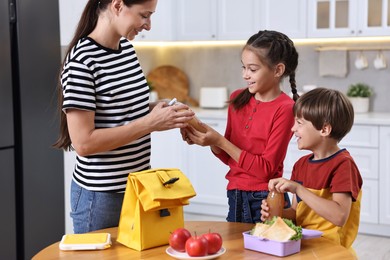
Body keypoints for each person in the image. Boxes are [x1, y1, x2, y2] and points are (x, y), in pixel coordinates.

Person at [53, 0, 194, 234]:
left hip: (136, 186)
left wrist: (156, 110)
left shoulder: (126, 50)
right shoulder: (82, 61)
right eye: (144, 15)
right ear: (118, 5)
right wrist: (149, 124)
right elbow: (84, 143)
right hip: (100, 198)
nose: (148, 25)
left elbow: (120, 110)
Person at [181, 30, 300, 223]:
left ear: (278, 70)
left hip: (265, 199)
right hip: (235, 194)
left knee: (263, 253)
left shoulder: (285, 109)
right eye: (243, 67)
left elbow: (266, 170)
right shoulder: (238, 98)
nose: (245, 75)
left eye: (252, 69)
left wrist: (219, 140)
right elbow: (229, 158)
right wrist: (209, 141)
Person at [260, 88, 363, 253]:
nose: (293, 128)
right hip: (304, 248)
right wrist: (276, 213)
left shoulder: (343, 165)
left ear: (324, 130)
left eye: (299, 123)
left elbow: (339, 216)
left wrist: (298, 188)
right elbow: (295, 213)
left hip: (332, 251)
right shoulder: (301, 165)